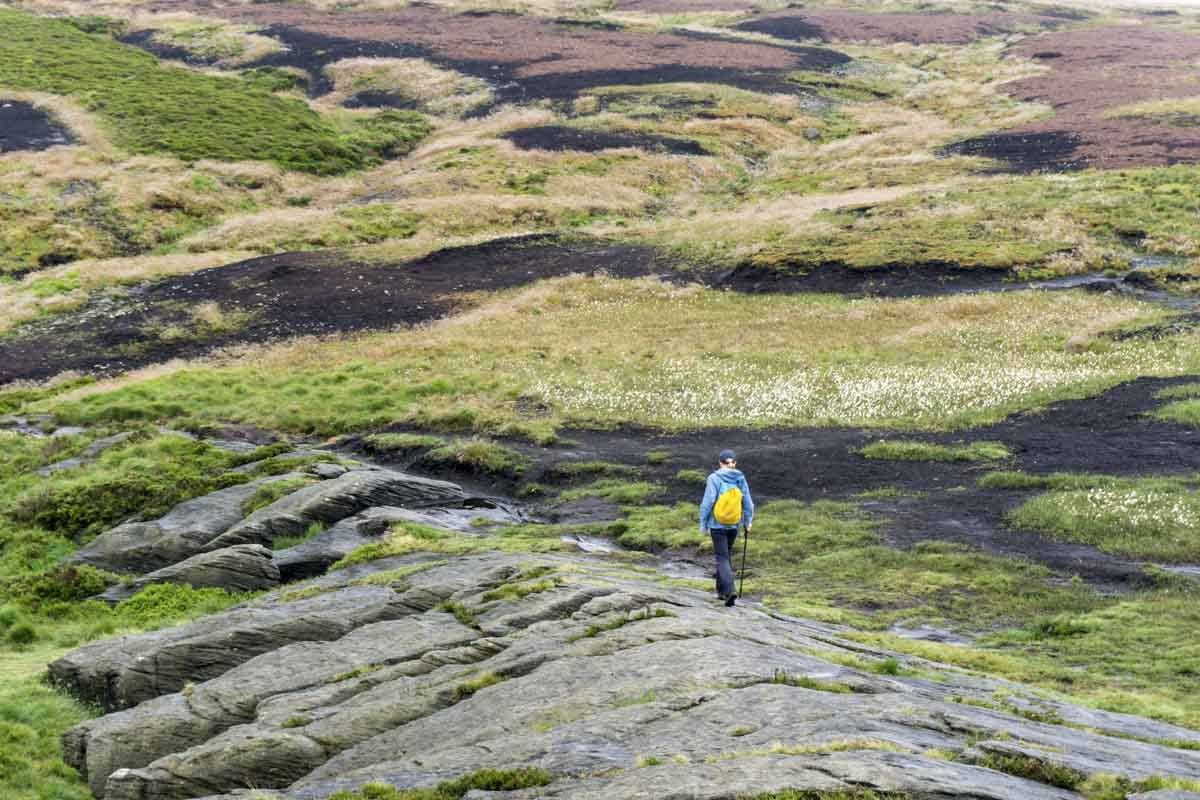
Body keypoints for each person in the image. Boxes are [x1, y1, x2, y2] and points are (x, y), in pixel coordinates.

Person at [699, 449, 753, 607]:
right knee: (726, 555)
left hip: (717, 524)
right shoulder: (740, 478)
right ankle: (721, 591)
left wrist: (703, 523)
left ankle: (730, 590)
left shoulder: (714, 478)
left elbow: (708, 502)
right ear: (734, 463)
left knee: (722, 557)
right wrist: (748, 521)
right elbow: (748, 501)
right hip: (734, 524)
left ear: (720, 463)